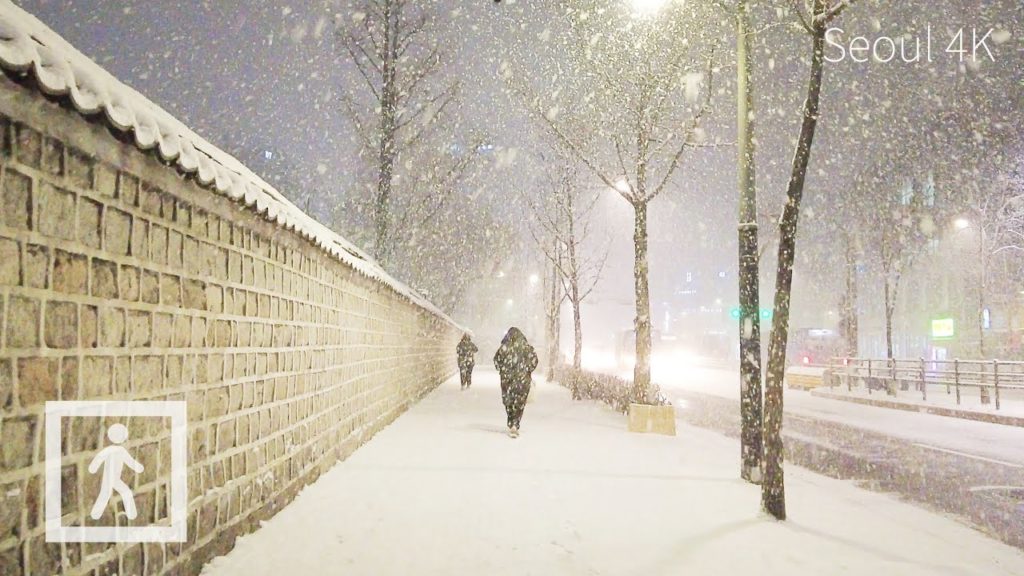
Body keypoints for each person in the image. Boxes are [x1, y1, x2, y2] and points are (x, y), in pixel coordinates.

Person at [88, 423, 144, 520]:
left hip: (114, 478)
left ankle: (96, 514)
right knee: (111, 493)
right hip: (110, 477)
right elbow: (130, 462)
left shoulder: (113, 451)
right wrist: (138, 468)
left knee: (111, 493)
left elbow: (129, 461)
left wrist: (93, 468)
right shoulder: (115, 451)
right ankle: (96, 514)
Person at [493, 327, 538, 438]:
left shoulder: (504, 348)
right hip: (523, 381)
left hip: (507, 380)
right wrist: (527, 370)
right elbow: (535, 361)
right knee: (520, 402)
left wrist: (502, 370)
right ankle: (515, 423)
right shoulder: (526, 348)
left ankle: (511, 420)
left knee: (508, 401)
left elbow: (496, 360)